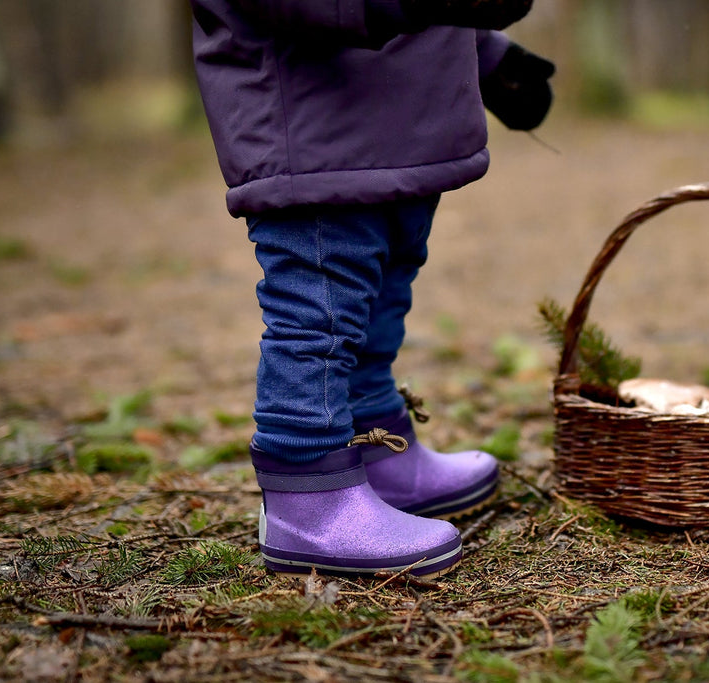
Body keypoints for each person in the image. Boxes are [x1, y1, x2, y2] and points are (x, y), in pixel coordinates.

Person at [189, 0, 554, 578]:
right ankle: (307, 494)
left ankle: (372, 448)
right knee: (321, 307)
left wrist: (486, 55)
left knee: (380, 294)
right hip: (313, 125)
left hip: (403, 127)